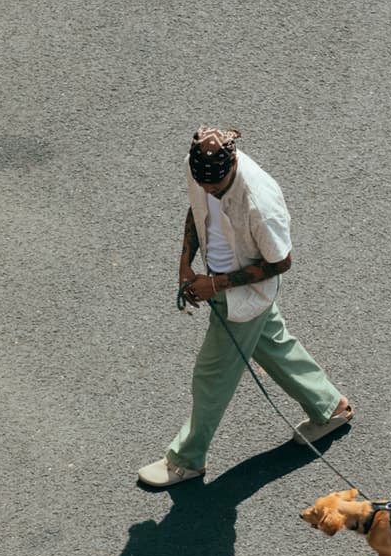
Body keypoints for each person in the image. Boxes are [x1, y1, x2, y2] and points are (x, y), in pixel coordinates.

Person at [138, 125, 352, 487]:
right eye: (202, 183)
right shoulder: (201, 170)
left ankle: (187, 460)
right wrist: (185, 264)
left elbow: (281, 262)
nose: (207, 190)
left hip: (244, 292)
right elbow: (196, 208)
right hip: (216, 281)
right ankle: (328, 407)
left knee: (212, 376)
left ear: (232, 167)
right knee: (271, 343)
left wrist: (216, 284)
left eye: (215, 188)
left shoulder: (258, 203)